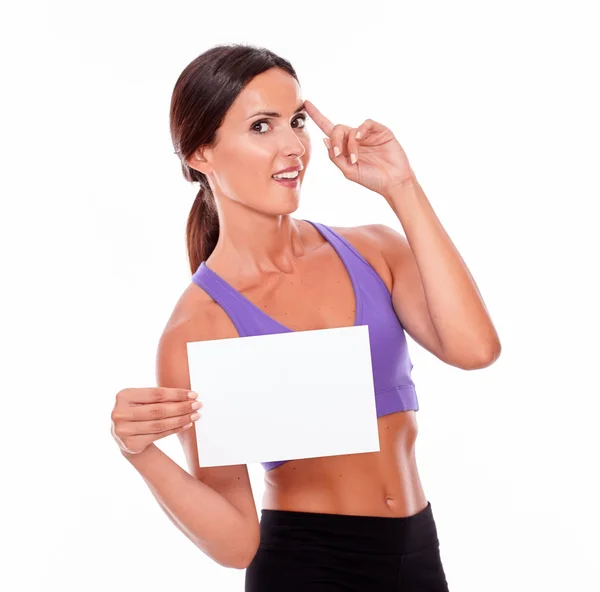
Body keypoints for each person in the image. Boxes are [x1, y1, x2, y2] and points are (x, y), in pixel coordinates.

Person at [110, 43, 501, 591]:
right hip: (308, 567)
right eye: (262, 127)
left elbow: (475, 349)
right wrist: (139, 452)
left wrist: (401, 188)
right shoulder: (200, 327)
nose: (294, 146)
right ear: (201, 154)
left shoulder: (375, 250)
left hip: (417, 554)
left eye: (295, 120)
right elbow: (236, 542)